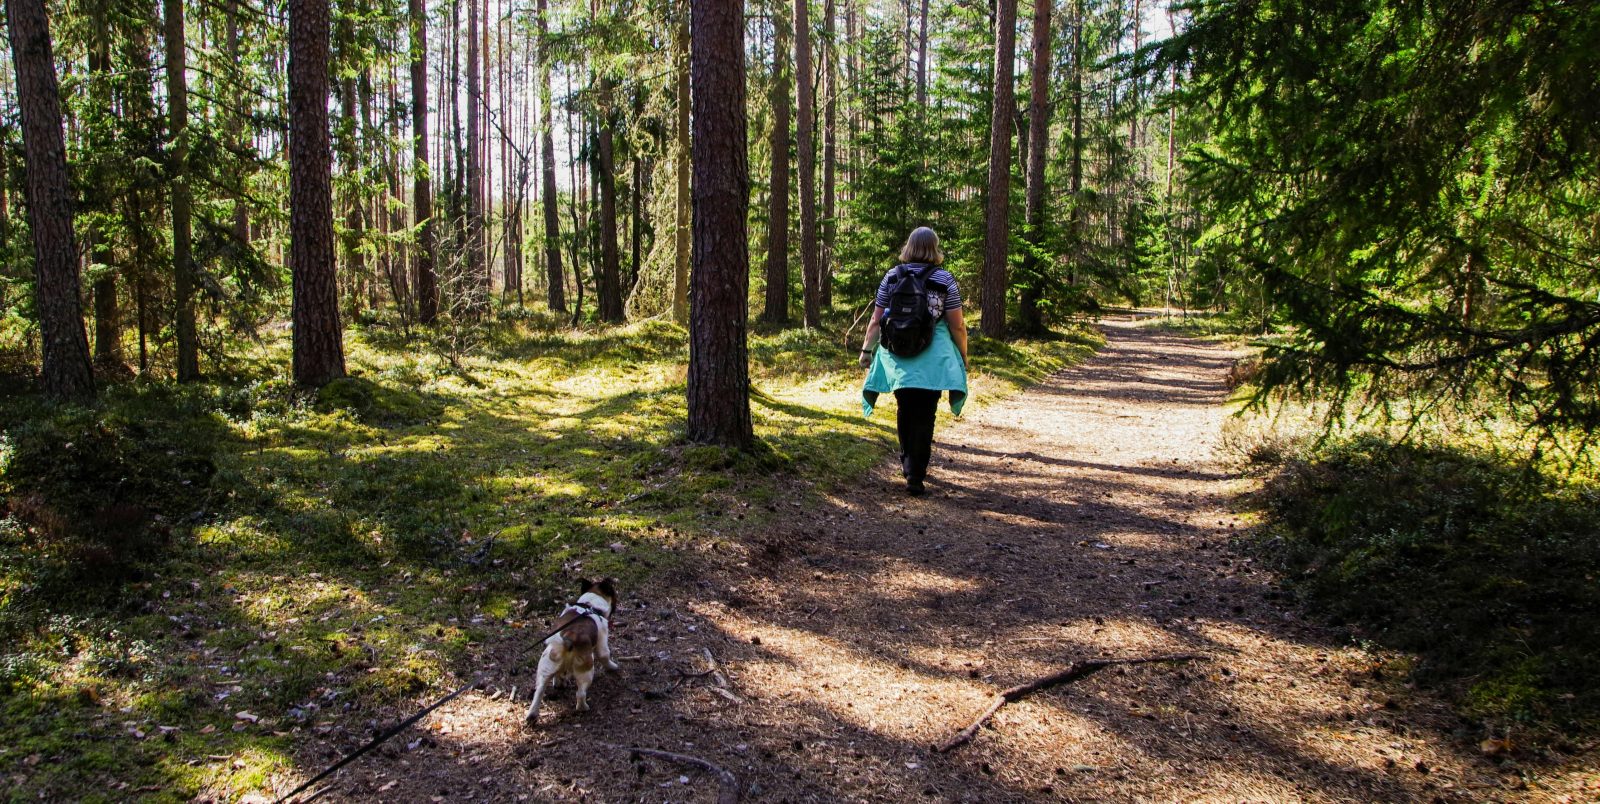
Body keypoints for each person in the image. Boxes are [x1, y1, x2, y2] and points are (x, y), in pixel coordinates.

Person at [858, 227, 969, 496]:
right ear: (935, 248)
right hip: (934, 357)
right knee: (926, 413)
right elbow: (957, 325)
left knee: (905, 408)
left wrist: (866, 350)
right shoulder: (944, 279)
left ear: (909, 247)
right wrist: (963, 357)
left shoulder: (892, 276)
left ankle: (908, 466)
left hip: (898, 354)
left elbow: (876, 319)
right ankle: (916, 473)